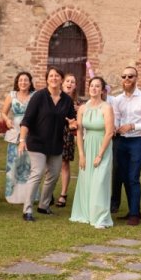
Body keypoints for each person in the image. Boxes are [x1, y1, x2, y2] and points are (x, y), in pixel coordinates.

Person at [18, 67, 78, 222]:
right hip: (37, 142)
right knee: (37, 173)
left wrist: (73, 125)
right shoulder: (39, 96)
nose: (54, 78)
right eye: (51, 76)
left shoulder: (66, 100)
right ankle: (28, 209)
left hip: (56, 144)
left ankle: (44, 206)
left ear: (61, 79)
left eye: (57, 76)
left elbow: (72, 120)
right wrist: (22, 140)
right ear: (47, 79)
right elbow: (27, 120)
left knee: (54, 174)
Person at [110, 65, 141, 226]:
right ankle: (133, 210)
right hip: (121, 141)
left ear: (136, 79)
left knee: (133, 177)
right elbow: (116, 118)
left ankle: (135, 214)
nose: (127, 79)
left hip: (137, 141)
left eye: (130, 76)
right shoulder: (117, 100)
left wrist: (133, 126)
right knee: (123, 177)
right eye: (124, 77)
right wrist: (115, 127)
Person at [70, 76, 115, 228]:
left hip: (102, 147)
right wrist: (81, 155)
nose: (94, 89)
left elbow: (109, 132)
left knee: (100, 181)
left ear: (102, 90)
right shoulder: (82, 108)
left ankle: (100, 217)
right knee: (86, 179)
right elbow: (80, 133)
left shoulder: (106, 108)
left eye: (97, 86)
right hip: (87, 146)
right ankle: (86, 213)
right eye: (92, 86)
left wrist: (100, 155)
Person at [1, 71, 34, 203]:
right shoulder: (11, 95)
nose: (23, 83)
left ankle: (28, 195)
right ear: (17, 82)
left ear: (30, 82)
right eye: (21, 80)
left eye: (26, 80)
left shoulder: (34, 96)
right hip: (15, 132)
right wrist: (7, 120)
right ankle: (12, 195)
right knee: (13, 163)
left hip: (30, 133)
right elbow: (3, 112)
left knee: (28, 164)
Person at [57, 73, 80, 208]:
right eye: (67, 81)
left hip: (68, 135)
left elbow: (79, 123)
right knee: (51, 165)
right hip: (54, 134)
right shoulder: (55, 98)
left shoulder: (78, 103)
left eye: (72, 81)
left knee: (64, 164)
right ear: (62, 83)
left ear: (75, 86)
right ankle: (49, 193)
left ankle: (63, 194)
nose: (69, 83)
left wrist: (78, 113)